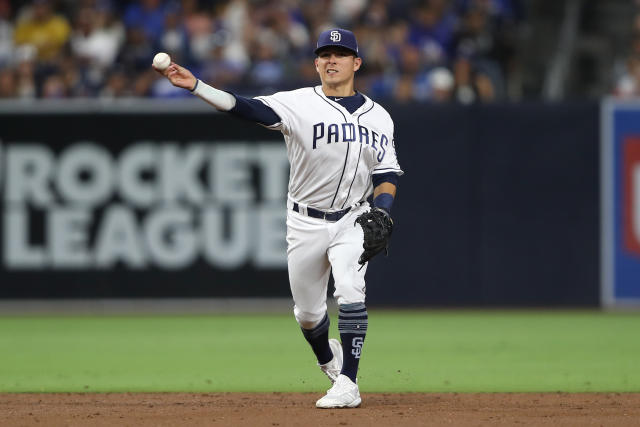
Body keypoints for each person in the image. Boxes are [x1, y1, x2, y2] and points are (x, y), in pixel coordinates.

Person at [154, 28, 403, 409]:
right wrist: (196, 86)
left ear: (356, 63)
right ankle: (328, 360)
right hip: (304, 221)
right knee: (307, 314)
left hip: (354, 217)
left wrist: (383, 212)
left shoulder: (379, 117)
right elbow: (244, 107)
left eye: (340, 54)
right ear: (316, 63)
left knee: (351, 289)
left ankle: (349, 382)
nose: (331, 60)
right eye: (325, 54)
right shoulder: (298, 103)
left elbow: (386, 174)